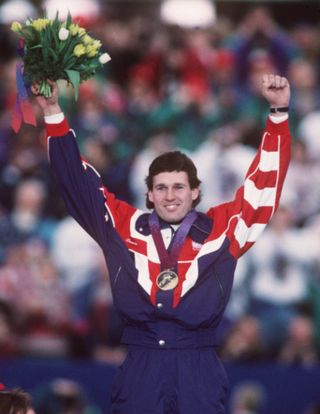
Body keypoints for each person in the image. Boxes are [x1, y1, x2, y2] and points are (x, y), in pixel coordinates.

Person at [31, 73, 291, 414]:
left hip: (198, 365)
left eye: (179, 187)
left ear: (195, 191)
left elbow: (263, 189)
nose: (170, 196)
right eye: (162, 188)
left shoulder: (222, 228)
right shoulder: (123, 227)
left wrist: (278, 113)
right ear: (149, 194)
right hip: (141, 362)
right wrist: (53, 112)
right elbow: (76, 183)